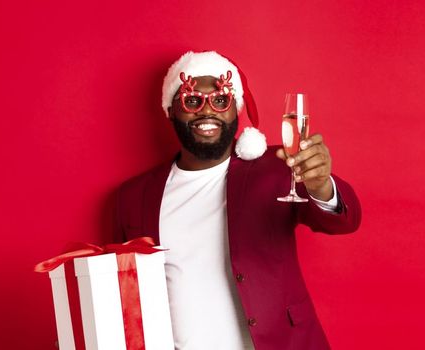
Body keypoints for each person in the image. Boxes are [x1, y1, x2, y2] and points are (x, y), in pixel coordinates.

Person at [112, 51, 362, 350]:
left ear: (235, 109)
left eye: (221, 100)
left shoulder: (279, 165)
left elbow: (344, 222)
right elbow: (125, 295)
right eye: (191, 101)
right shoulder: (132, 197)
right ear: (170, 110)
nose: (207, 111)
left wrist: (320, 186)